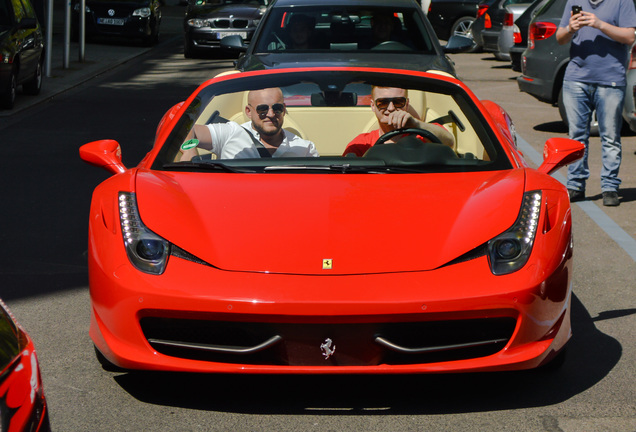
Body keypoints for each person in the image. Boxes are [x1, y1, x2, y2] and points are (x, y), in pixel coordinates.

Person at [556, 0, 636, 206]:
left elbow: (630, 36)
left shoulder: (622, 1)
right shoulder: (574, 1)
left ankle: (609, 187)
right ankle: (575, 185)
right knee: (576, 136)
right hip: (576, 78)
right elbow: (560, 38)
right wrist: (569, 29)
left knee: (610, 137)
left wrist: (599, 24)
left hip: (610, 80)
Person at [180, 88, 318, 160]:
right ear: (248, 111)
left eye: (277, 108)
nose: (270, 114)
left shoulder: (304, 148)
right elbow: (184, 129)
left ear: (284, 110)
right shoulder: (231, 133)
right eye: (262, 109)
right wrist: (189, 152)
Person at [342, 86, 455, 157]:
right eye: (383, 103)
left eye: (398, 102)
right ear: (373, 105)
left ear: (406, 104)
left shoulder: (424, 134)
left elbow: (449, 142)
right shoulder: (362, 144)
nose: (391, 108)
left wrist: (416, 124)